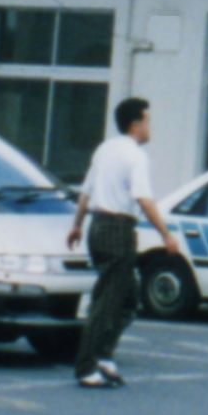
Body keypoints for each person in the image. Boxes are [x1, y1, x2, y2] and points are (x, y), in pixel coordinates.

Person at [67, 97, 186, 391]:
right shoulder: (135, 156)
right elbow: (144, 199)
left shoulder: (105, 149)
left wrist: (78, 225)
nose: (150, 127)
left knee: (129, 298)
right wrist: (166, 235)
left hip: (98, 226)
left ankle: (104, 356)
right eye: (148, 120)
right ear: (136, 123)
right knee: (107, 302)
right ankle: (86, 367)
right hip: (117, 229)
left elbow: (86, 191)